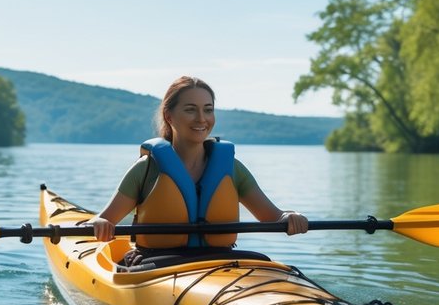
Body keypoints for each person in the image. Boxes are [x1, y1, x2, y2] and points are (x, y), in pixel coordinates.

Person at [89, 76, 308, 264]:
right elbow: (104, 220)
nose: (202, 119)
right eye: (190, 110)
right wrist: (100, 224)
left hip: (219, 263)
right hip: (154, 265)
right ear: (169, 116)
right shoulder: (146, 170)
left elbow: (272, 217)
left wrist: (290, 217)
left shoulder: (232, 168)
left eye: (208, 110)